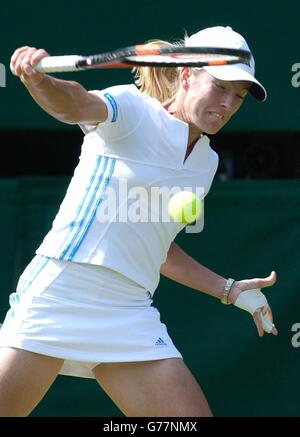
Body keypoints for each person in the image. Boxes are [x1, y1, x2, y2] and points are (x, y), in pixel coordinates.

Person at [0, 26, 277, 417]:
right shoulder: (130, 110)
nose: (229, 103)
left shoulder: (206, 164)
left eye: (239, 96)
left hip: (129, 309)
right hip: (62, 289)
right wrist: (38, 81)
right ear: (186, 75)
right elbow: (73, 103)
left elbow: (157, 246)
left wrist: (228, 289)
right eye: (220, 87)